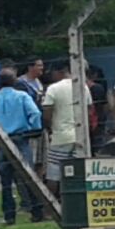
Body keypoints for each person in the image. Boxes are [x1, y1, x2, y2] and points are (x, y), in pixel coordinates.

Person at [0, 69, 44, 224]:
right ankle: (36, 211)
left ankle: (9, 215)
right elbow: (35, 113)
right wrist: (33, 128)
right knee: (28, 176)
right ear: (14, 81)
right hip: (20, 139)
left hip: (2, 140)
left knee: (6, 181)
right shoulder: (22, 97)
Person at [41, 63, 77, 196]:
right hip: (80, 135)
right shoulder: (81, 86)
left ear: (59, 72)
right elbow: (90, 109)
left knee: (54, 172)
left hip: (60, 136)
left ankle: (51, 203)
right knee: (77, 171)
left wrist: (49, 128)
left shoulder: (53, 88)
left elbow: (47, 113)